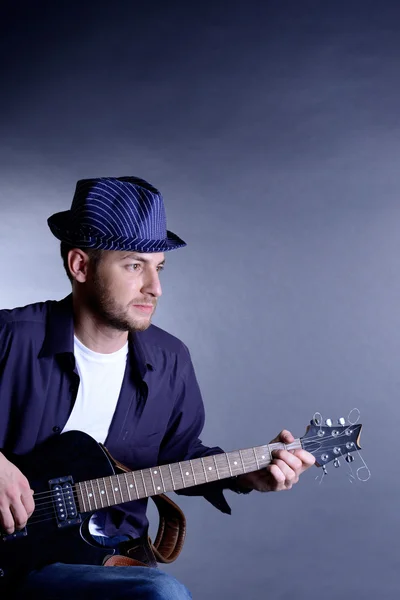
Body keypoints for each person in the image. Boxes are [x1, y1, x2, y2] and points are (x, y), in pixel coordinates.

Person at [0, 176, 315, 599]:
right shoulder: (11, 337)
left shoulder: (169, 359)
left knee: (161, 595)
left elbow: (180, 455)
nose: (156, 287)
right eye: (134, 266)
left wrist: (247, 475)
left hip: (90, 566)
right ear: (80, 266)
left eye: (159, 267)